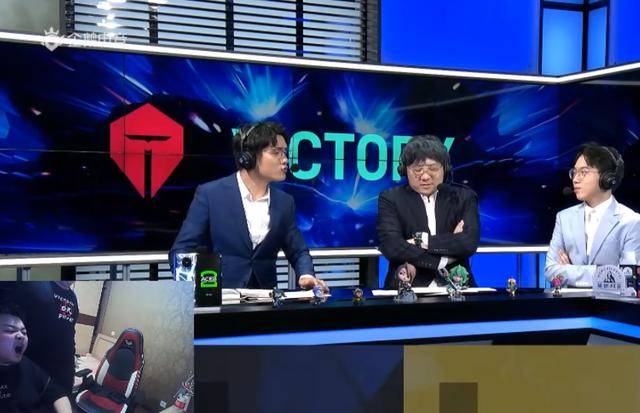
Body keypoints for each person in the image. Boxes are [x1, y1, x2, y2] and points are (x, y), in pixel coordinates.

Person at [170, 121, 324, 289]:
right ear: (248, 157)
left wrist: (306, 276)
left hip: (266, 299)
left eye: (285, 152)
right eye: (276, 152)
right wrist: (197, 289)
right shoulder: (211, 194)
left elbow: (298, 251)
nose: (285, 160)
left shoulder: (285, 202)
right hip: (220, 298)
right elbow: (182, 250)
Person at [377, 135, 480, 288]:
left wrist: (421, 240)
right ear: (405, 169)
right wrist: (443, 260)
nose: (425, 176)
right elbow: (392, 246)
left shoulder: (464, 197)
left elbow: (468, 243)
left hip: (457, 285)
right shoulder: (390, 198)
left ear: (445, 168)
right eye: (417, 170)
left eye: (433, 169)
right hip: (407, 287)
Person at [545, 143, 640, 287]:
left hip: (611, 302)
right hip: (570, 301)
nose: (575, 179)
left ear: (607, 178)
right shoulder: (564, 218)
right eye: (574, 172)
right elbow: (551, 271)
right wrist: (607, 272)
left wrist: (569, 270)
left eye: (583, 172)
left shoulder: (631, 221)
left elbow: (628, 278)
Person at [8, 282, 79, 397]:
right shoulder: (37, 285)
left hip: (64, 370)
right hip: (37, 365)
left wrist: (72, 365)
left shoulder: (73, 297)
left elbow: (69, 332)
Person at [0, 302, 73, 413]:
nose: (21, 336)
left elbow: (57, 393)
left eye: (24, 332)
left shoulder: (26, 364)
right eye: (10, 330)